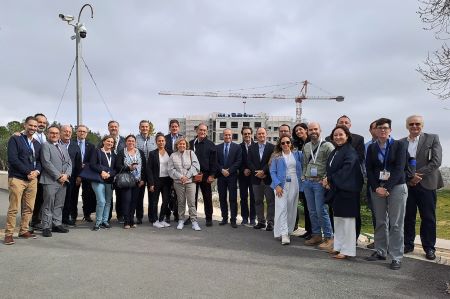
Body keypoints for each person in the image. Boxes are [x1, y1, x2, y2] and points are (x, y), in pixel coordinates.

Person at [365, 118, 408, 270]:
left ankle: (396, 257)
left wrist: (387, 188)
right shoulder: (371, 148)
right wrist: (376, 187)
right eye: (379, 128)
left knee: (396, 223)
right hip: (377, 188)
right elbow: (369, 169)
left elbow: (399, 168)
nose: (382, 130)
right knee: (380, 221)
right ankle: (380, 251)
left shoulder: (399, 145)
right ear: (375, 130)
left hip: (396, 187)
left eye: (385, 128)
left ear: (390, 130)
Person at [401, 115, 443, 261]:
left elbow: (436, 161)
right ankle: (407, 244)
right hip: (408, 184)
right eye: (411, 124)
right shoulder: (401, 143)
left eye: (417, 124)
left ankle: (429, 247)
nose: (414, 126)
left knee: (428, 218)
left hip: (427, 183)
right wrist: (409, 178)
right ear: (407, 126)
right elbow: (399, 164)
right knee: (408, 216)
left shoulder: (432, 138)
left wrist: (417, 175)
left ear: (422, 125)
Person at [323, 126, 363, 259]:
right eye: (335, 135)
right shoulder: (336, 151)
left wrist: (329, 179)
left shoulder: (350, 151)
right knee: (338, 220)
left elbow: (346, 170)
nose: (338, 137)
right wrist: (328, 180)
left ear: (347, 136)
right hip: (338, 190)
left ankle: (347, 250)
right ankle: (338, 246)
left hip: (348, 191)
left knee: (348, 222)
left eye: (341, 134)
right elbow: (330, 169)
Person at [4, 116, 42, 245]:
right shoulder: (15, 139)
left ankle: (24, 230)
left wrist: (36, 172)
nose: (33, 128)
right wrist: (27, 172)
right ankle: (9, 234)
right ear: (25, 125)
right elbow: (13, 159)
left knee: (29, 207)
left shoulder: (37, 143)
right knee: (14, 208)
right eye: (30, 125)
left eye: (35, 126)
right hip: (17, 178)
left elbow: (40, 161)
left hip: (32, 179)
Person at [301, 122, 335, 250]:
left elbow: (332, 164)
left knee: (322, 211)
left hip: (320, 183)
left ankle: (329, 237)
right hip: (308, 182)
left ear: (320, 130)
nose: (313, 131)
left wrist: (326, 178)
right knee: (312, 211)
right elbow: (304, 163)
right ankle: (316, 235)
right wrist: (303, 177)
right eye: (310, 130)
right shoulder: (307, 146)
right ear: (308, 131)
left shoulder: (328, 146)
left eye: (315, 129)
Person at [39, 126, 72, 237]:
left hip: (63, 181)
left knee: (59, 204)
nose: (54, 135)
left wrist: (66, 175)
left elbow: (69, 163)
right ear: (48, 134)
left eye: (56, 133)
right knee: (49, 204)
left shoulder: (63, 146)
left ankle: (56, 223)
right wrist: (59, 176)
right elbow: (46, 163)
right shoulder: (45, 145)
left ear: (59, 135)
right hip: (50, 180)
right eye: (52, 133)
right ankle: (46, 227)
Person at [269, 136, 303, 245]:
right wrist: (277, 185)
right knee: (282, 208)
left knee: (291, 208)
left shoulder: (298, 154)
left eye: (287, 142)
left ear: (291, 143)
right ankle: (283, 234)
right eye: (283, 143)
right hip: (281, 184)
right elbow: (272, 172)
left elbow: (303, 166)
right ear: (280, 145)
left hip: (295, 183)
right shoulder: (276, 157)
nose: (285, 144)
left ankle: (288, 231)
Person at [168, 138, 201, 231]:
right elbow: (170, 169)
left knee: (191, 202)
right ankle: (181, 220)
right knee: (181, 202)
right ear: (177, 145)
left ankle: (194, 221)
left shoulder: (191, 153)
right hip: (178, 183)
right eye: (180, 144)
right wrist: (180, 177)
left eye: (183, 144)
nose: (182, 145)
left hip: (190, 182)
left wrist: (187, 176)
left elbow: (196, 166)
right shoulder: (173, 155)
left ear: (186, 145)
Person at [189, 123, 218, 227]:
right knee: (193, 197)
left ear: (207, 132)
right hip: (193, 174)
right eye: (201, 130)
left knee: (207, 197)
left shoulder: (211, 144)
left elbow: (214, 162)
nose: (202, 132)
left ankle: (209, 218)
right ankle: (192, 217)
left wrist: (212, 175)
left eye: (204, 130)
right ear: (197, 131)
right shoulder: (191, 143)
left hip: (206, 175)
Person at [115, 135, 146, 229]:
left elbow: (144, 167)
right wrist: (128, 167)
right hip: (126, 181)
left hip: (137, 181)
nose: (131, 142)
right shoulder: (121, 152)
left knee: (134, 201)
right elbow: (118, 166)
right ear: (126, 142)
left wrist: (142, 179)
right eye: (129, 141)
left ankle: (132, 220)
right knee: (127, 200)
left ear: (135, 142)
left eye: (133, 141)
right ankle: (126, 221)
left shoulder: (140, 152)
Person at [247, 127, 275, 231]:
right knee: (258, 201)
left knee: (270, 201)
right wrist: (257, 172)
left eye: (263, 133)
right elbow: (249, 162)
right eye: (259, 134)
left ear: (266, 134)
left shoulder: (272, 147)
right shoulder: (251, 148)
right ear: (256, 135)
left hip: (268, 178)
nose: (261, 135)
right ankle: (261, 221)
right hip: (256, 179)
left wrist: (263, 171)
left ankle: (270, 222)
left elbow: (271, 162)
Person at [217, 129, 242, 228]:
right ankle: (224, 218)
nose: (227, 137)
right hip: (221, 177)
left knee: (232, 198)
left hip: (232, 176)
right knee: (222, 198)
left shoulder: (237, 147)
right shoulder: (218, 147)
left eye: (229, 135)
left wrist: (229, 170)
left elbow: (239, 161)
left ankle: (233, 219)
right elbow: (215, 162)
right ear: (223, 136)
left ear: (232, 136)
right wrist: (222, 170)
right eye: (226, 135)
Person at [90, 135, 117, 231]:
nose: (110, 143)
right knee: (101, 201)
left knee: (108, 202)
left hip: (109, 180)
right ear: (104, 141)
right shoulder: (97, 152)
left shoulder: (114, 155)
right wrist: (102, 172)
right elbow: (92, 164)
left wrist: (109, 175)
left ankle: (105, 221)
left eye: (112, 142)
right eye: (108, 141)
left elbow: (116, 169)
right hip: (98, 179)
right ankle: (98, 222)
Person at [146, 133, 172, 228]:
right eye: (159, 141)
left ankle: (161, 219)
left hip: (167, 181)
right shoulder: (152, 153)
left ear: (165, 142)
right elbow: (149, 169)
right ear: (156, 142)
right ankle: (155, 220)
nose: (161, 142)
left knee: (165, 201)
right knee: (154, 201)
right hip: (156, 181)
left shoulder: (170, 152)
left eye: (162, 141)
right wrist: (151, 183)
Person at [291, 123, 312, 239]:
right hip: (300, 179)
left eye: (301, 129)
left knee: (310, 207)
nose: (299, 132)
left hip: (310, 178)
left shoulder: (311, 143)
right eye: (297, 130)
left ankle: (313, 231)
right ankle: (308, 230)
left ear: (306, 130)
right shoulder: (298, 144)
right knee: (306, 206)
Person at [73, 125, 96, 222]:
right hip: (74, 172)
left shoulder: (91, 146)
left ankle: (87, 214)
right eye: (80, 131)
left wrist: (84, 168)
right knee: (73, 195)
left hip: (87, 173)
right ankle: (72, 215)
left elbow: (92, 160)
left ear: (86, 133)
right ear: (76, 132)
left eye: (84, 131)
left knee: (87, 195)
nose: (82, 133)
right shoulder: (72, 144)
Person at [60, 125, 82, 227]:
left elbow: (78, 163)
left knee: (69, 198)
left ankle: (65, 218)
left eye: (69, 131)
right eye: (65, 131)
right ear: (61, 132)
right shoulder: (55, 143)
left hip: (71, 177)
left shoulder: (75, 146)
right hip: (56, 176)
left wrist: (78, 176)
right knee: (56, 199)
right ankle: (54, 219)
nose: (67, 133)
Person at [135, 120, 156, 224]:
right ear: (139, 127)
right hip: (140, 171)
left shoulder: (154, 139)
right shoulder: (135, 139)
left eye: (146, 126)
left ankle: (152, 217)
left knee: (152, 195)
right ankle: (139, 217)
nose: (144, 128)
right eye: (142, 126)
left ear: (149, 128)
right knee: (139, 195)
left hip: (152, 171)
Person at [30, 113, 48, 230]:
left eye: (44, 123)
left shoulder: (45, 137)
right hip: (32, 171)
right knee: (30, 198)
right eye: (39, 122)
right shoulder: (28, 135)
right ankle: (28, 222)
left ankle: (36, 220)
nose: (41, 124)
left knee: (40, 197)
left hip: (43, 172)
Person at [106, 120, 125, 223]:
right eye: (111, 127)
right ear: (108, 128)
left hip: (121, 173)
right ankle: (107, 216)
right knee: (108, 196)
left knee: (120, 195)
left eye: (115, 127)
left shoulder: (124, 141)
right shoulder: (103, 140)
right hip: (108, 172)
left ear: (118, 128)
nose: (113, 128)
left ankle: (120, 215)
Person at [164, 119, 183, 222]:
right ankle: (167, 214)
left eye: (176, 126)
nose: (174, 128)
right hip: (167, 170)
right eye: (172, 126)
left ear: (178, 128)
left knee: (177, 195)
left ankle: (176, 214)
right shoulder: (165, 139)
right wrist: (174, 152)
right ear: (170, 128)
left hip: (179, 170)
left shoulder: (182, 138)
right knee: (166, 195)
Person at [238, 126, 256, 225]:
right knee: (243, 197)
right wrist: (243, 169)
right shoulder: (239, 147)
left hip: (253, 176)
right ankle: (245, 217)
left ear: (251, 134)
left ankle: (253, 218)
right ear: (242, 135)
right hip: (242, 176)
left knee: (254, 197)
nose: (247, 135)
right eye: (245, 134)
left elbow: (257, 161)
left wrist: (251, 170)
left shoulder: (256, 146)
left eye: (249, 133)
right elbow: (238, 161)